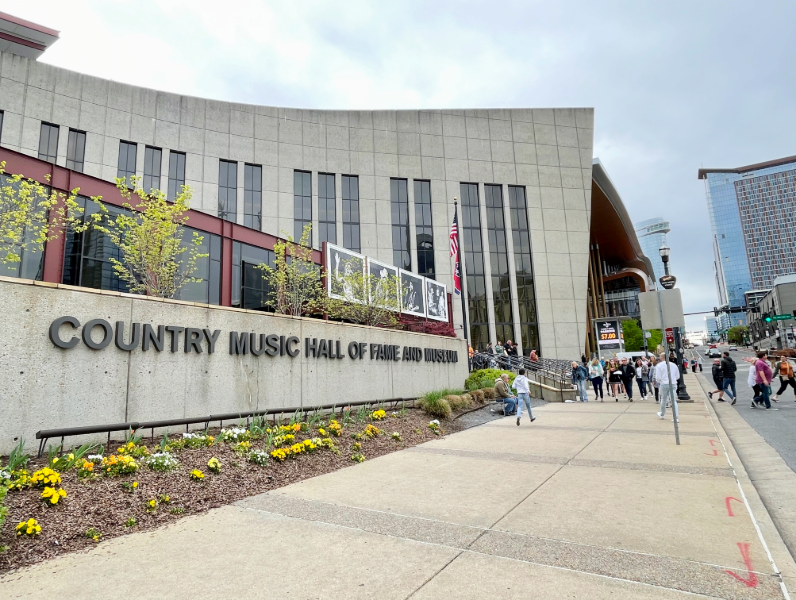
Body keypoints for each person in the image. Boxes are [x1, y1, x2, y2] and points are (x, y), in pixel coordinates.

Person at [654, 353, 680, 422]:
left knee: (663, 399)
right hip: (673, 383)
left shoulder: (659, 365)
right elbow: (677, 376)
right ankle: (676, 417)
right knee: (673, 400)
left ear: (661, 357)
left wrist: (660, 381)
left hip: (664, 383)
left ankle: (662, 414)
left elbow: (658, 377)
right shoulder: (674, 365)